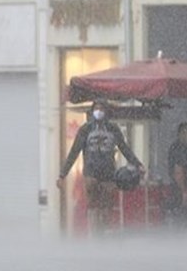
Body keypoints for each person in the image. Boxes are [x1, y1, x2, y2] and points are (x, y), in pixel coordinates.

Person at [57, 100, 145, 234]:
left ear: (106, 112)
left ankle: (102, 228)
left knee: (106, 204)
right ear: (92, 111)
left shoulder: (113, 129)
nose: (99, 112)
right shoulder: (86, 129)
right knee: (93, 203)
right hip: (91, 172)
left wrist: (138, 164)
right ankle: (94, 230)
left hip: (108, 173)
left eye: (102, 109)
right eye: (96, 109)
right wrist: (62, 174)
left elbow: (124, 149)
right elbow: (74, 152)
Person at [166, 122, 187, 229]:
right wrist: (184, 192)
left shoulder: (184, 149)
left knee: (185, 220)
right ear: (181, 134)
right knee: (183, 221)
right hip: (180, 193)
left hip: (185, 191)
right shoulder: (179, 149)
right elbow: (178, 171)